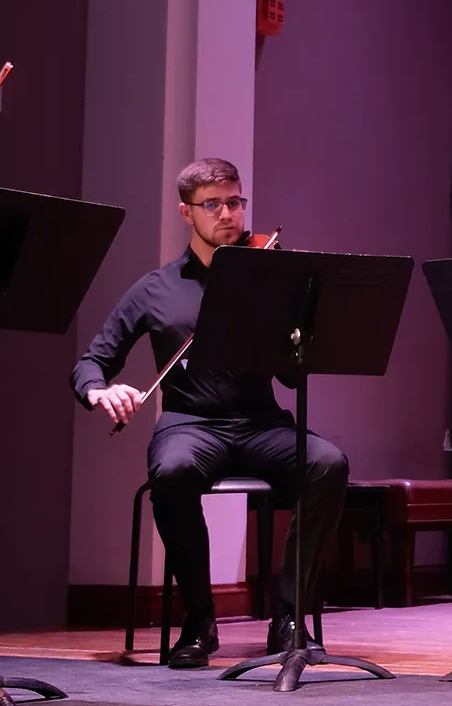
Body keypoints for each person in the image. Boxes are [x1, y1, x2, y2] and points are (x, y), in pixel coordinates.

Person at [73, 157, 349, 668]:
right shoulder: (155, 288)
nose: (228, 214)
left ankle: (289, 617)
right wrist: (99, 392)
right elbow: (94, 359)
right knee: (172, 473)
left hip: (261, 423)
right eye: (213, 204)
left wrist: (299, 320)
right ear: (186, 212)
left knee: (328, 463)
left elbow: (293, 374)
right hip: (190, 423)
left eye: (235, 202)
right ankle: (199, 619)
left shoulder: (266, 276)